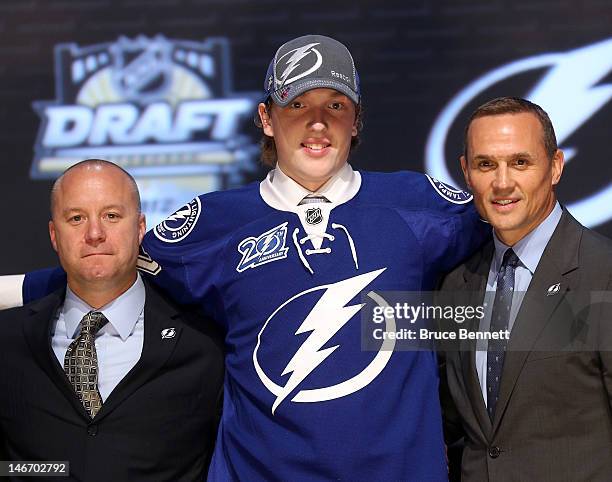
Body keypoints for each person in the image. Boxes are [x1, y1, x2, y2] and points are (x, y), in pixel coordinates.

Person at [4, 35, 488, 480]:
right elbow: (104, 266)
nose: (317, 123)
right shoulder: (207, 226)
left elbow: (524, 254)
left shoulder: (421, 205)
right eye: (296, 104)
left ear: (356, 119)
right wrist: (12, 289)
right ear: (265, 118)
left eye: (335, 105)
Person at [0, 160, 224, 481]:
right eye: (76, 218)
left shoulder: (206, 346)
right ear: (53, 235)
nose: (94, 233)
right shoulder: (7, 344)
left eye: (112, 216)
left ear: (140, 227)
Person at [441, 97, 612, 481]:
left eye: (520, 162)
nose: (502, 183)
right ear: (466, 172)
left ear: (554, 167)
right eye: (486, 164)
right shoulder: (456, 285)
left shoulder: (603, 274)